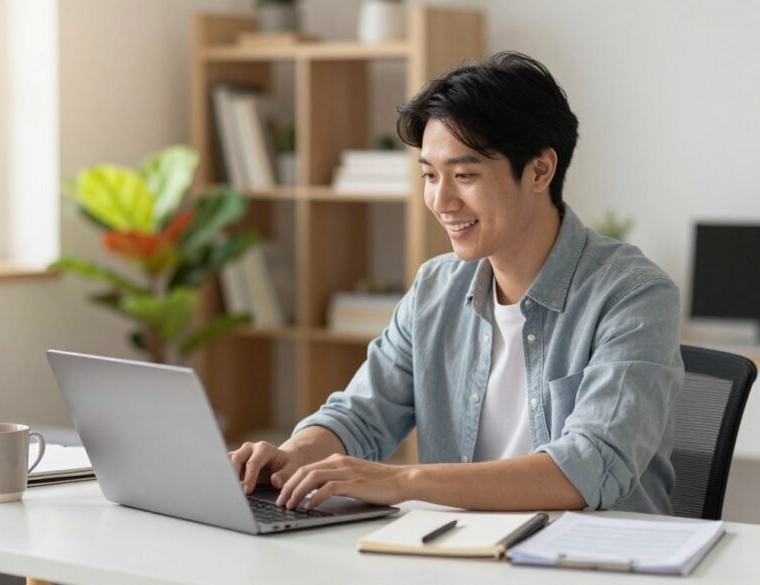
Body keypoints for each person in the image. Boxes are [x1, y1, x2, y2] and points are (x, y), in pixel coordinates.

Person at [230, 51, 683, 515]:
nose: (441, 200)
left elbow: (591, 466)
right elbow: (361, 415)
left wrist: (402, 481)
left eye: (464, 175)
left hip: (591, 559)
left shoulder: (633, 294)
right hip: (457, 554)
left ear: (540, 171)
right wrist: (292, 455)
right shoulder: (436, 287)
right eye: (429, 175)